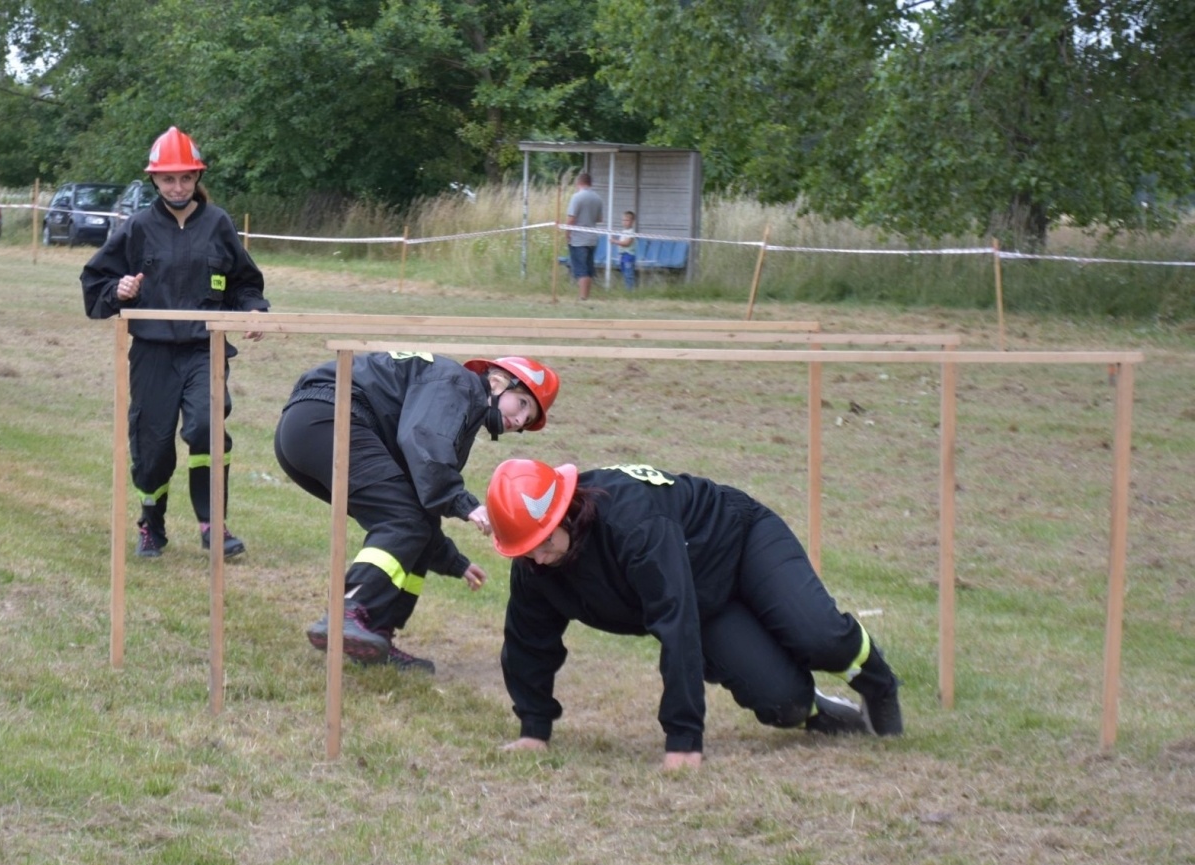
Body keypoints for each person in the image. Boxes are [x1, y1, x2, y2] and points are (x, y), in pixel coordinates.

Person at [484, 458, 904, 768]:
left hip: (740, 542)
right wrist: (534, 730)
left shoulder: (633, 524)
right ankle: (820, 711)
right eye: (525, 550)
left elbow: (675, 624)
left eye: (543, 543)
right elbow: (528, 643)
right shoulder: (534, 568)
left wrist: (683, 740)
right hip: (705, 600)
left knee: (819, 636)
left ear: (567, 513)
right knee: (783, 705)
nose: (537, 559)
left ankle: (878, 683)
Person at [274, 353, 560, 673]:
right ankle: (348, 611)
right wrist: (465, 504)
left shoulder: (458, 407)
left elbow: (420, 504)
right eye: (522, 404)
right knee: (403, 521)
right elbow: (421, 442)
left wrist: (454, 562)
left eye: (527, 421)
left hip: (308, 430)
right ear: (497, 382)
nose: (520, 421)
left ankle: (374, 634)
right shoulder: (457, 384)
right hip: (330, 419)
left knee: (411, 521)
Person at [81, 126, 268, 560]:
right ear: (154, 181)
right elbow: (96, 283)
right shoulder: (138, 228)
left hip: (207, 349)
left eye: (186, 177)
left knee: (206, 427)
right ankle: (152, 524)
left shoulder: (218, 224)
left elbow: (244, 283)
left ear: (197, 177)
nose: (178, 186)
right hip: (152, 353)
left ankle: (212, 523)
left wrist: (254, 308)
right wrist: (120, 290)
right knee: (152, 444)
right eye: (168, 179)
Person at [564, 172, 603, 301]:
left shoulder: (576, 197)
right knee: (589, 268)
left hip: (578, 239)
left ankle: (582, 296)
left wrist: (567, 234)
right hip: (592, 238)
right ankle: (586, 295)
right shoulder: (597, 198)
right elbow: (599, 219)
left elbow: (571, 218)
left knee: (581, 269)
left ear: (578, 183)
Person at [615, 210, 638, 291]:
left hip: (629, 255)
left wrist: (615, 241)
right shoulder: (623, 232)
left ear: (632, 221)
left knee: (629, 274)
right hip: (622, 255)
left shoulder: (631, 232)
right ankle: (627, 288)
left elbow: (627, 243)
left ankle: (630, 290)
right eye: (623, 220)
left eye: (627, 220)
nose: (625, 222)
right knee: (624, 273)